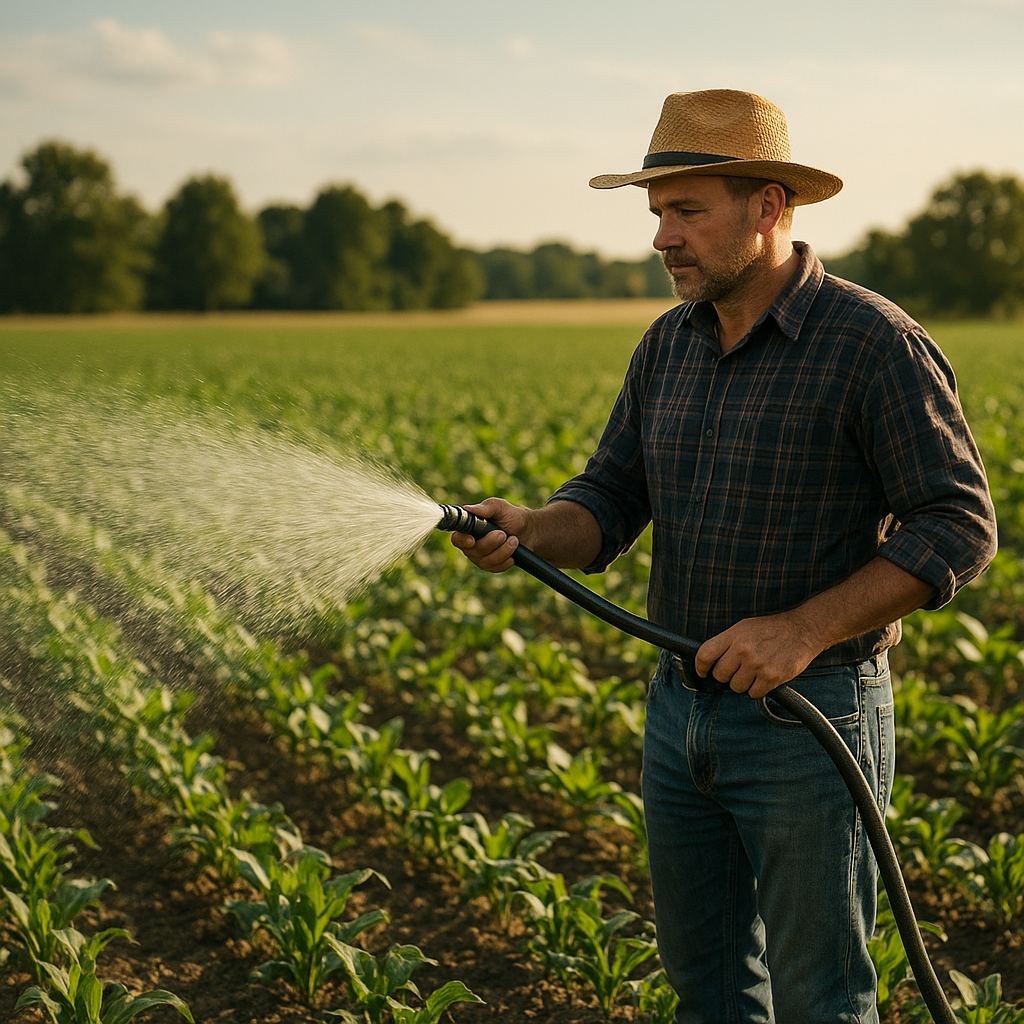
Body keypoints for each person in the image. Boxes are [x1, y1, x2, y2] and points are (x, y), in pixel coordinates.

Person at [451, 89, 997, 1023]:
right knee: (707, 991)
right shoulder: (668, 347)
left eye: (687, 210)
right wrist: (535, 528)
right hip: (679, 718)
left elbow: (957, 524)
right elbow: (609, 503)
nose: (664, 236)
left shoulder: (871, 344)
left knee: (822, 1000)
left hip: (809, 721)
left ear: (769, 207)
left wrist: (800, 632)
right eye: (658, 212)